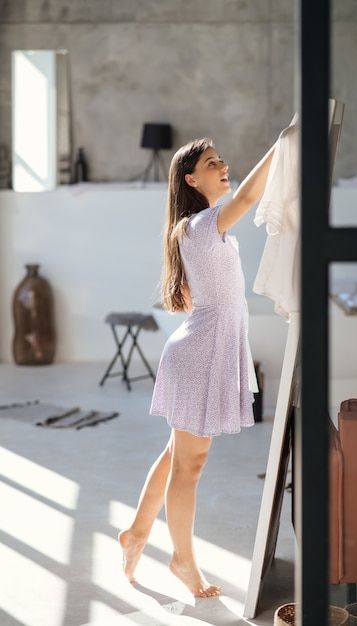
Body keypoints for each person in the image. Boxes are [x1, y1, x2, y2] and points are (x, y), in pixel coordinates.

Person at [118, 137, 275, 598]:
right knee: (190, 465)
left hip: (203, 352)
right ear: (191, 179)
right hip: (198, 356)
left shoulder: (199, 228)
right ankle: (182, 561)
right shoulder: (200, 224)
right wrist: (285, 143)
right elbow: (248, 195)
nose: (224, 166)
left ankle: (136, 534)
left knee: (177, 457)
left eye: (222, 160)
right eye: (213, 163)